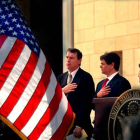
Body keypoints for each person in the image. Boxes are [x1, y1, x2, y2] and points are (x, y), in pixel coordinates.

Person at [57, 48, 95, 139]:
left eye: (72, 58)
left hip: (78, 128)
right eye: (67, 57)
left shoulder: (85, 77)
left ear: (79, 61)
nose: (68, 60)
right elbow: (55, 100)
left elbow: (85, 104)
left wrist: (79, 125)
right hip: (62, 126)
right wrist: (62, 91)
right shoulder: (60, 78)